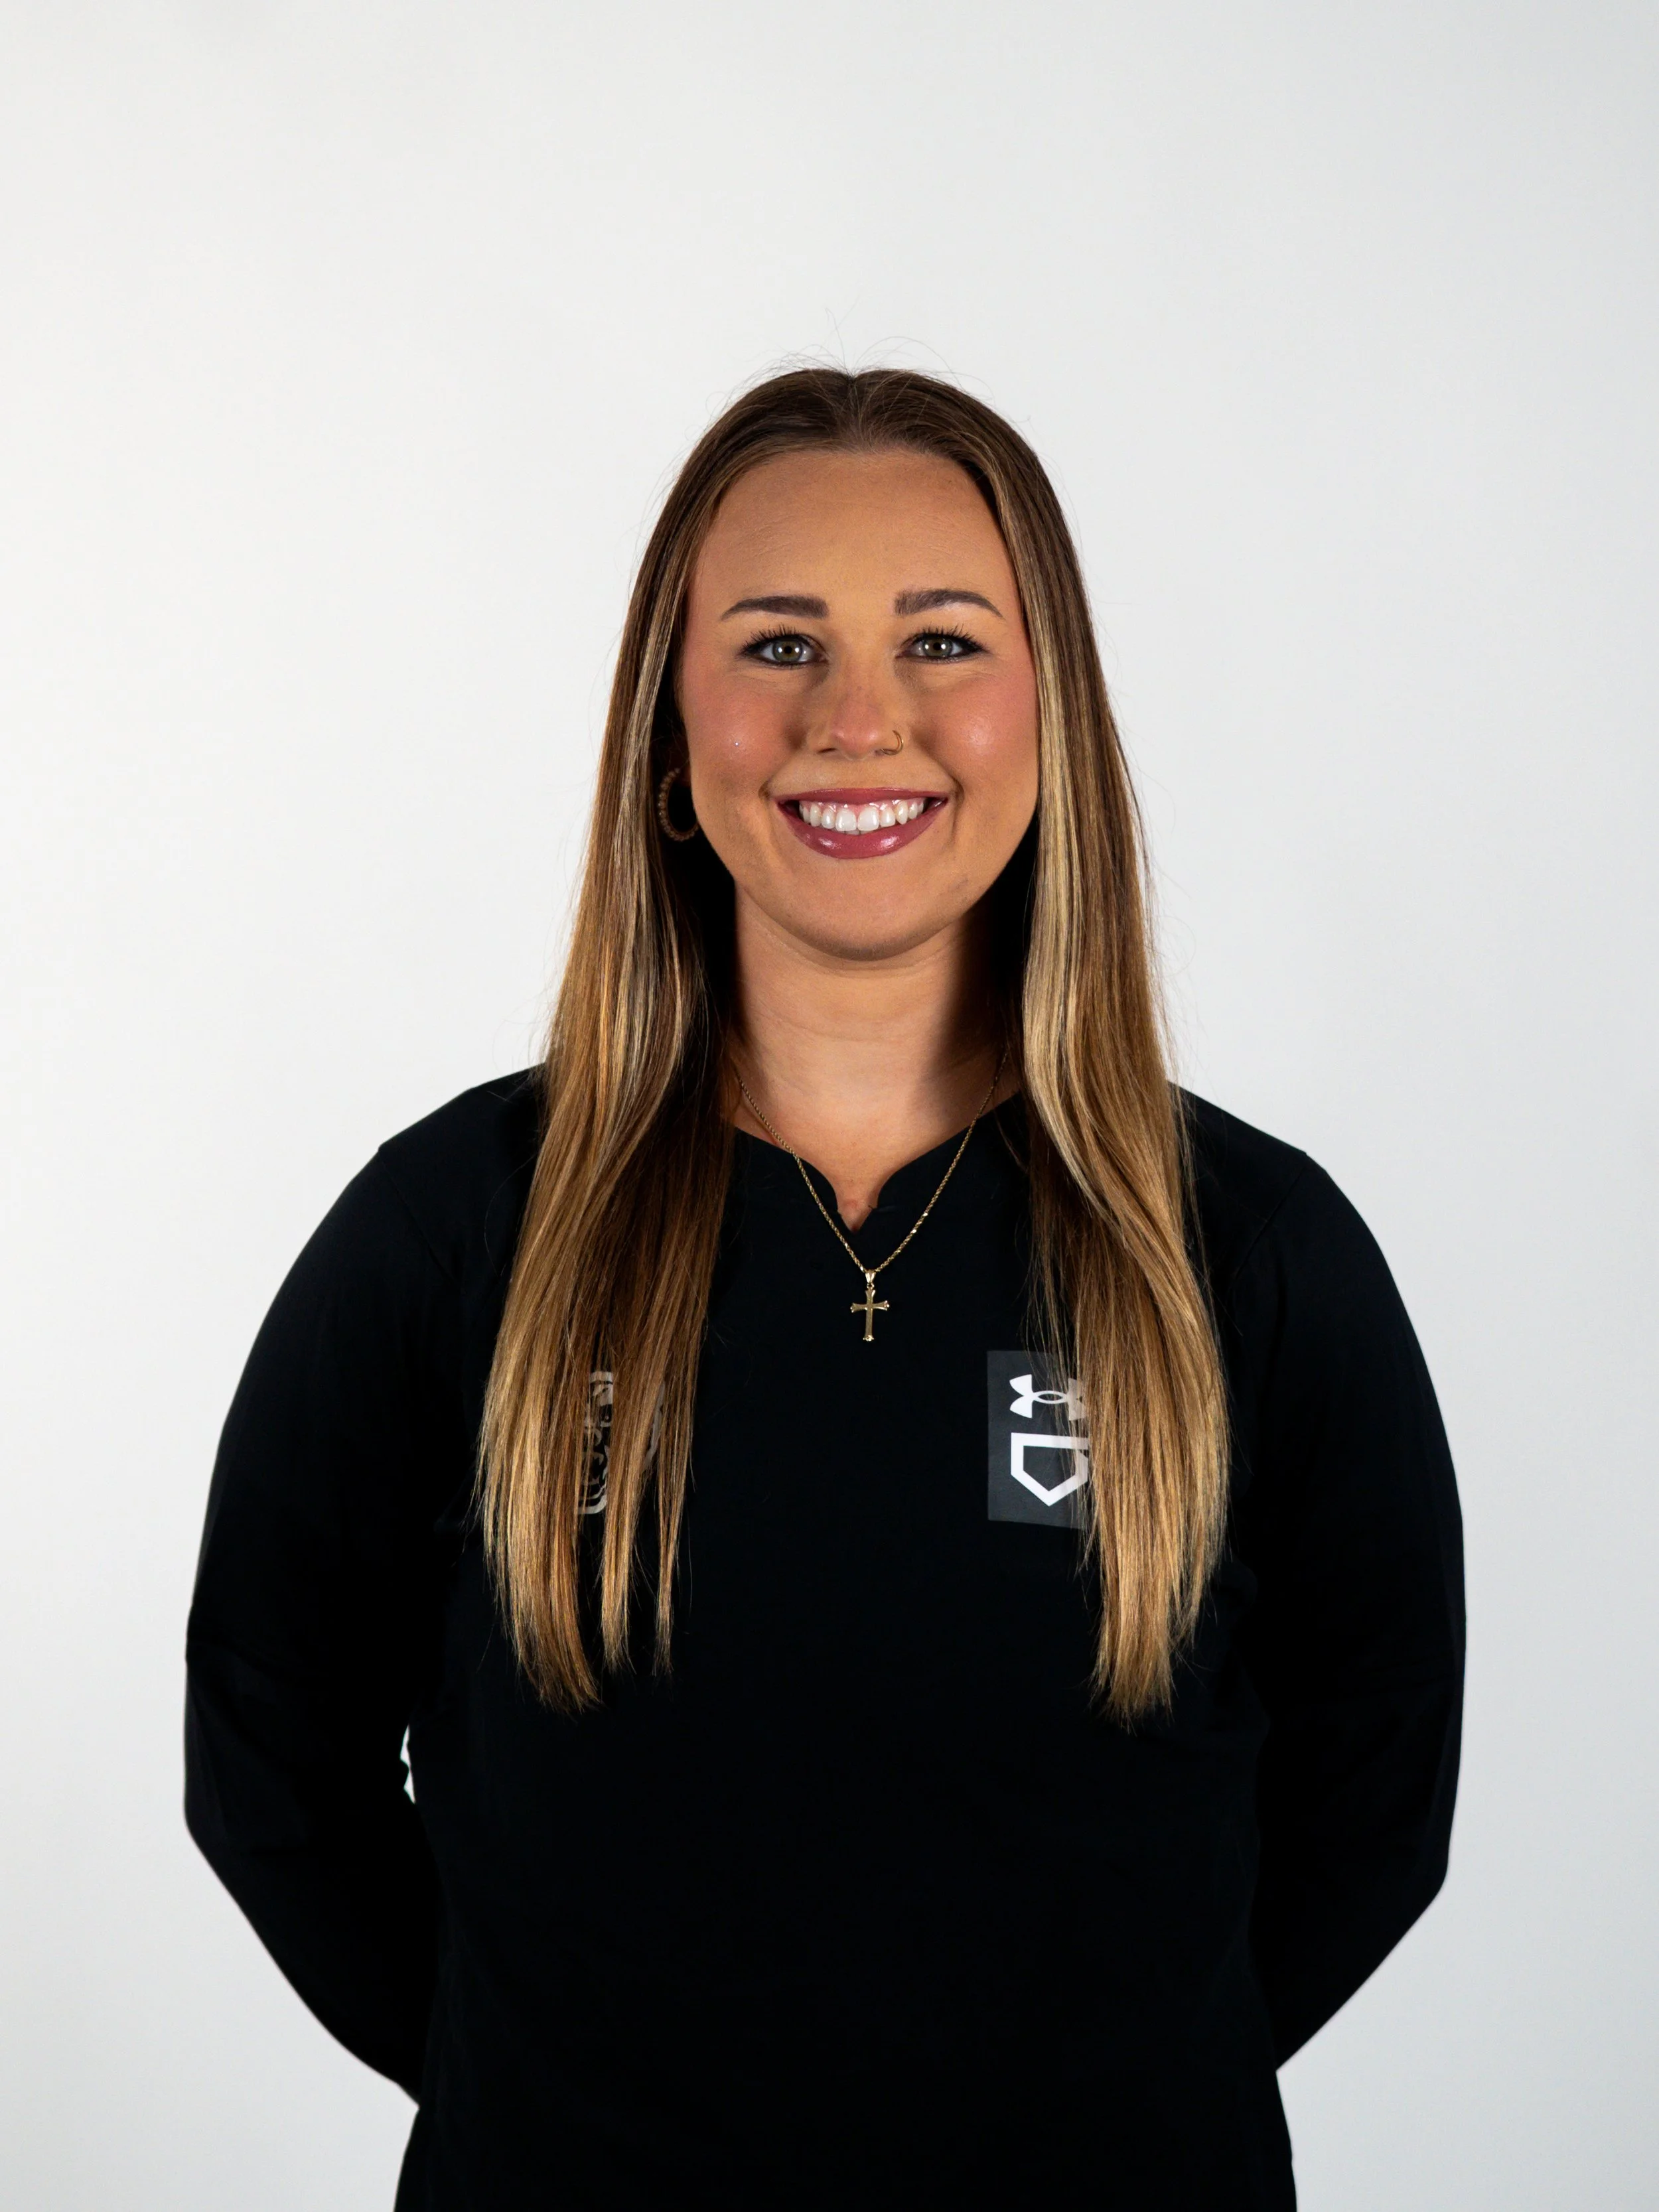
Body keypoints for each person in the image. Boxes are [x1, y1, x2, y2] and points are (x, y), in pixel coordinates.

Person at [184, 368, 1465, 2210]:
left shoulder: (1248, 1252)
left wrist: (1091, 2098)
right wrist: (546, 2081)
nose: (860, 719)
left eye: (941, 636)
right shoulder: (452, 1233)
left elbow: (1372, 1804)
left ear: (1051, 716)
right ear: (666, 733)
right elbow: (268, 1752)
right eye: (777, 643)